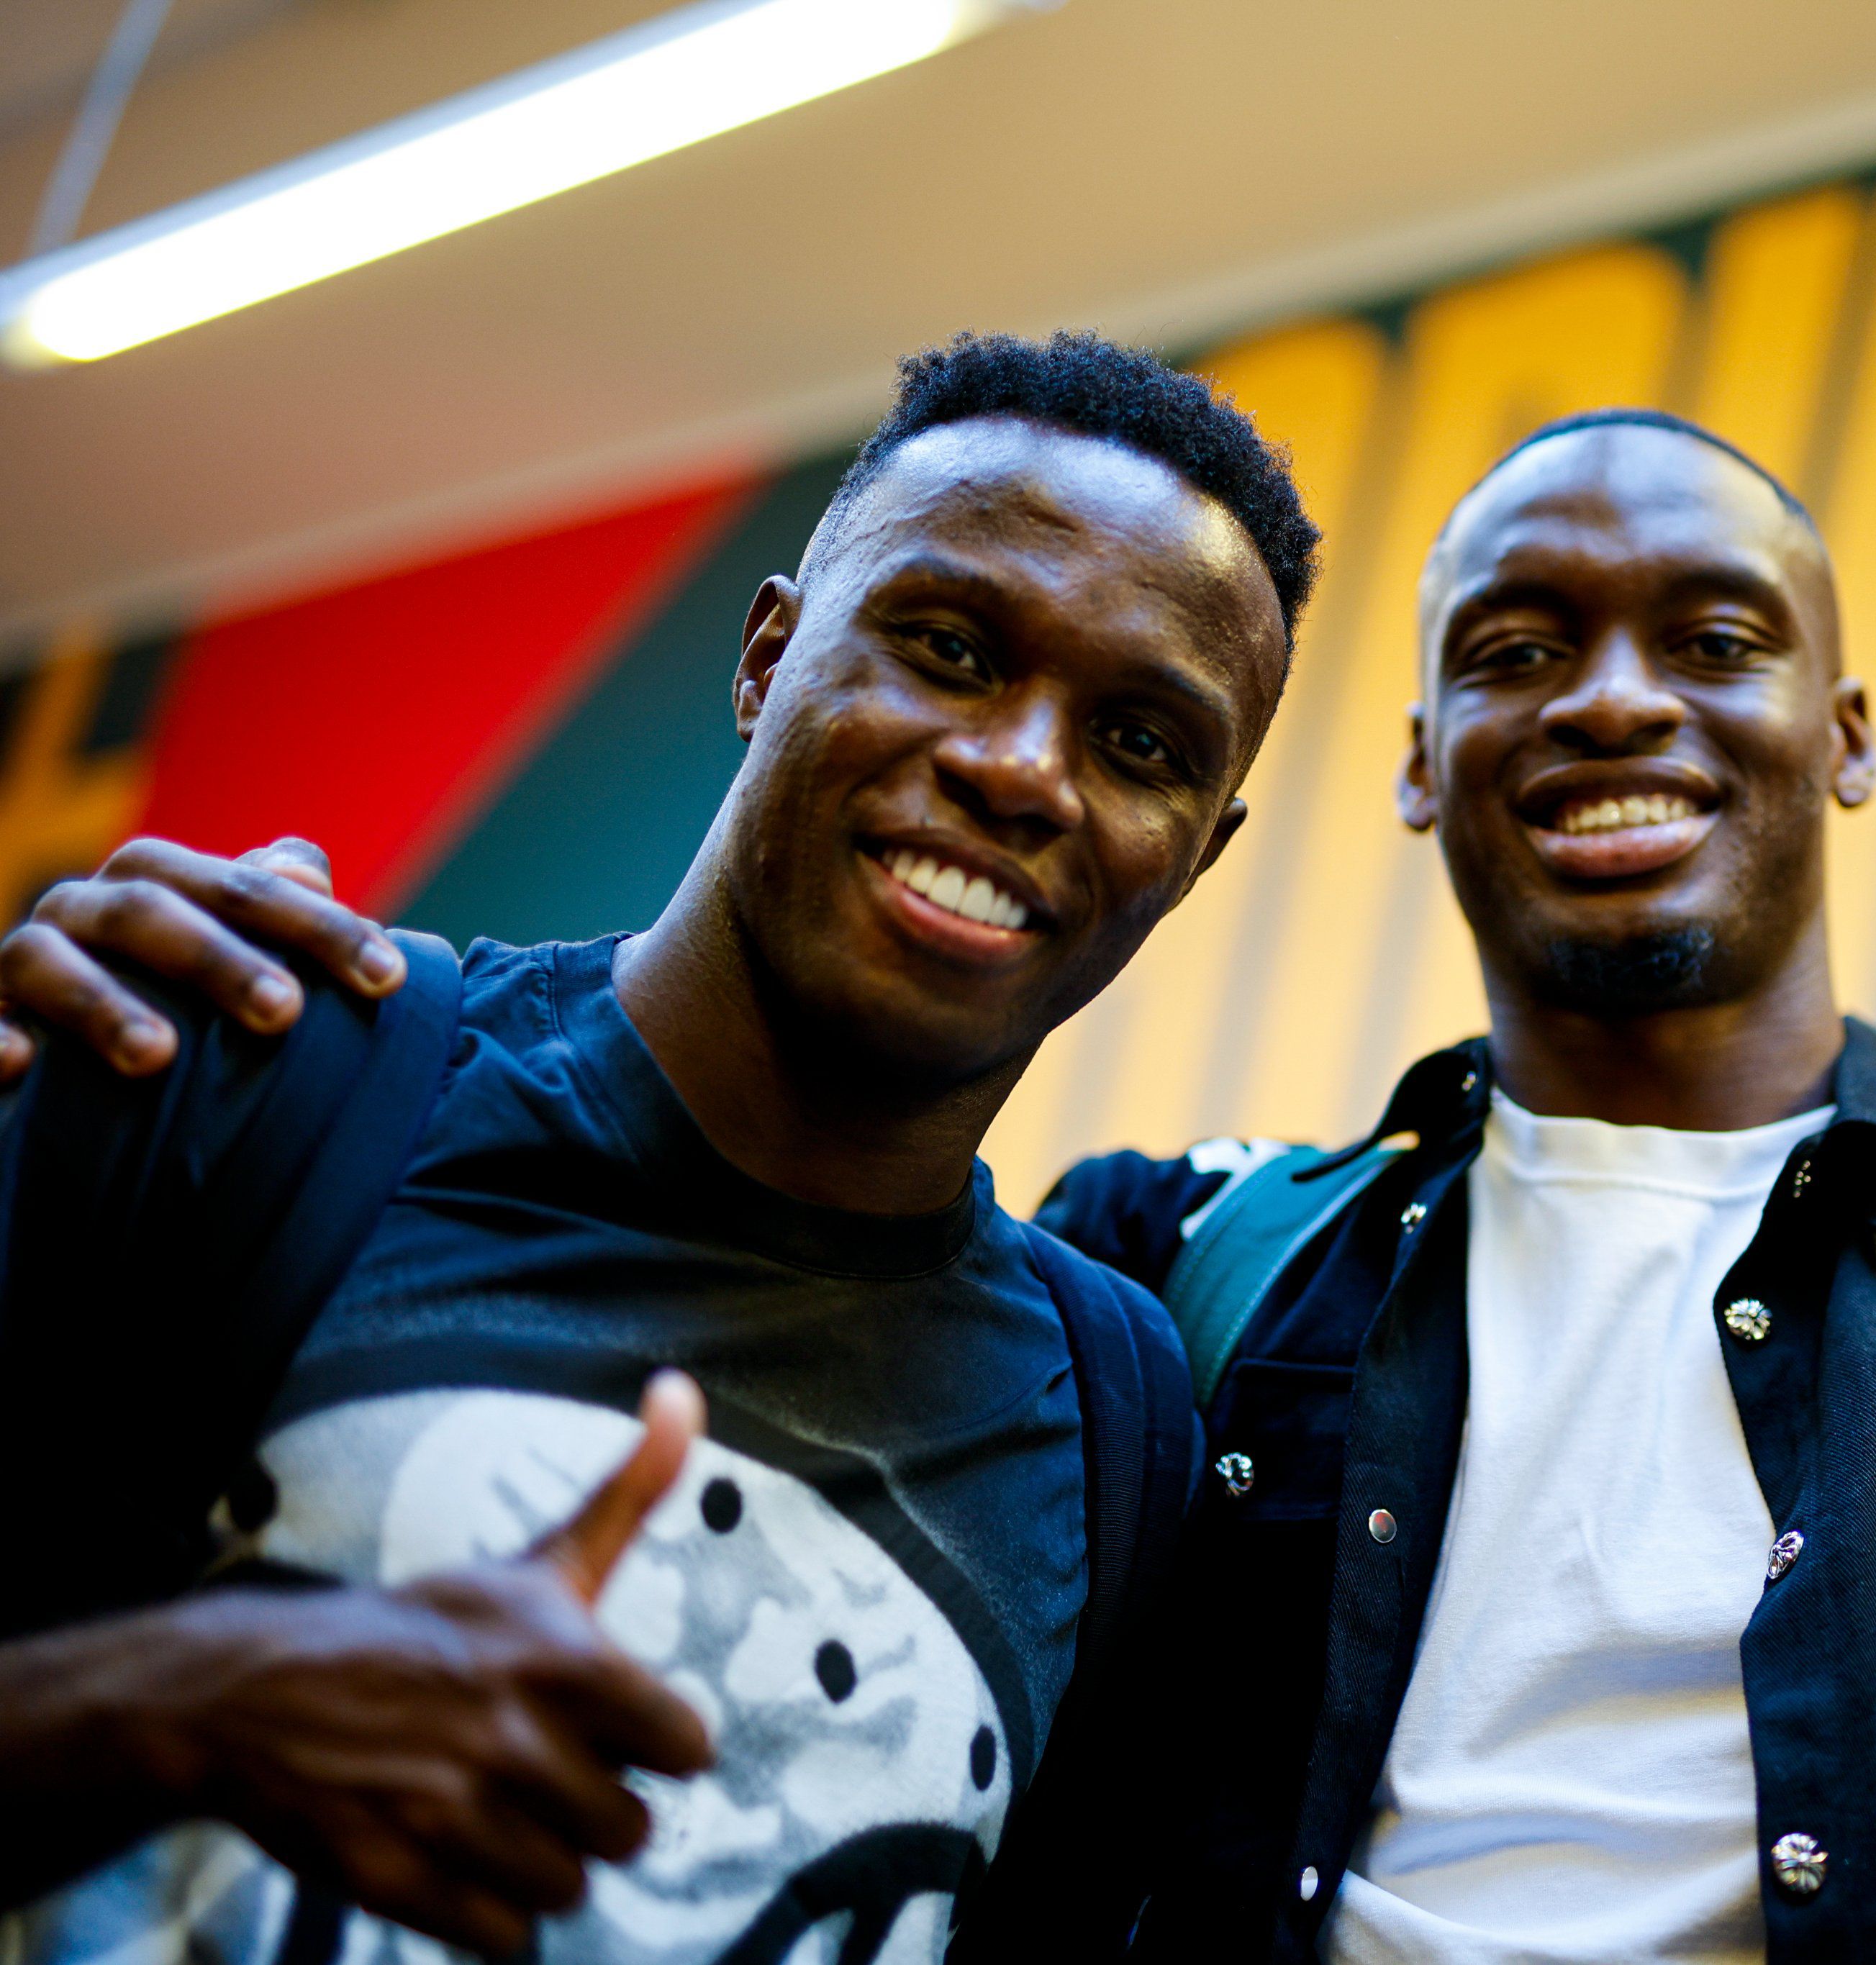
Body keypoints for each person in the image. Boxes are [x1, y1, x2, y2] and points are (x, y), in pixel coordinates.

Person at [10, 409, 1876, 1965]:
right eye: (1518, 645)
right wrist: (203, 1003)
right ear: (1400, 772)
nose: (1613, 697)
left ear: (1845, 731)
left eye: (1713, 636)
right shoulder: (1165, 1290)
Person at [0, 330, 1315, 1965]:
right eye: (950, 648)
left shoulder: (1122, 1436)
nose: (1019, 771)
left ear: (1197, 856)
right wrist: (178, 1704)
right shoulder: (244, 1058)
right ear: (768, 656)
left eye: (1141, 745)